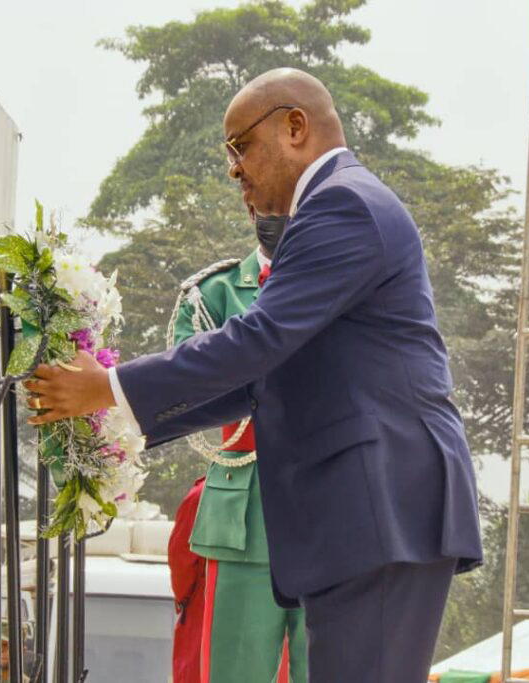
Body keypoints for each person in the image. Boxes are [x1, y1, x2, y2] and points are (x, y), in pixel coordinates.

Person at [25, 67, 483, 682]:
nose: (234, 169)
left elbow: (256, 341)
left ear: (296, 127)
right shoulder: (333, 207)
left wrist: (107, 386)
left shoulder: (341, 204)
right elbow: (260, 379)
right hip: (370, 512)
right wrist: (114, 415)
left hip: (379, 506)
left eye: (241, 145)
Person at [169, 226, 306, 683]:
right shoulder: (214, 292)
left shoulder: (340, 283)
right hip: (245, 514)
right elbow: (189, 388)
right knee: (233, 672)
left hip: (330, 508)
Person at [169, 476, 207, 683]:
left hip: (204, 612)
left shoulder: (202, 494)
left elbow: (181, 557)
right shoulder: (281, 488)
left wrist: (184, 601)